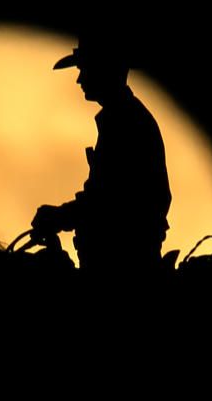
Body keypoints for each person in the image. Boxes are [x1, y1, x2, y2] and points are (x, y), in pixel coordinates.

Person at [31, 35, 173, 277]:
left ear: (106, 70)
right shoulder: (124, 119)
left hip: (119, 266)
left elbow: (110, 200)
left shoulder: (126, 124)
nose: (79, 78)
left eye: (85, 69)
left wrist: (58, 216)